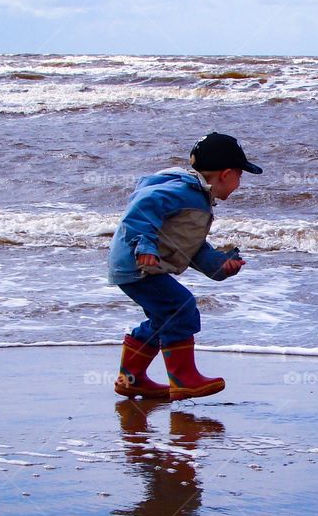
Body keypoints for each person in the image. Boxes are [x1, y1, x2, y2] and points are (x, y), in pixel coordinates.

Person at [108, 132, 263, 400]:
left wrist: (219, 266)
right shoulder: (183, 192)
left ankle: (131, 379)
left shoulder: (196, 198)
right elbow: (141, 209)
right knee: (180, 307)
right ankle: (184, 379)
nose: (239, 184)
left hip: (137, 266)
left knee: (163, 318)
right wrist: (144, 246)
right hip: (138, 265)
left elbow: (189, 245)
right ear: (226, 174)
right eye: (240, 175)